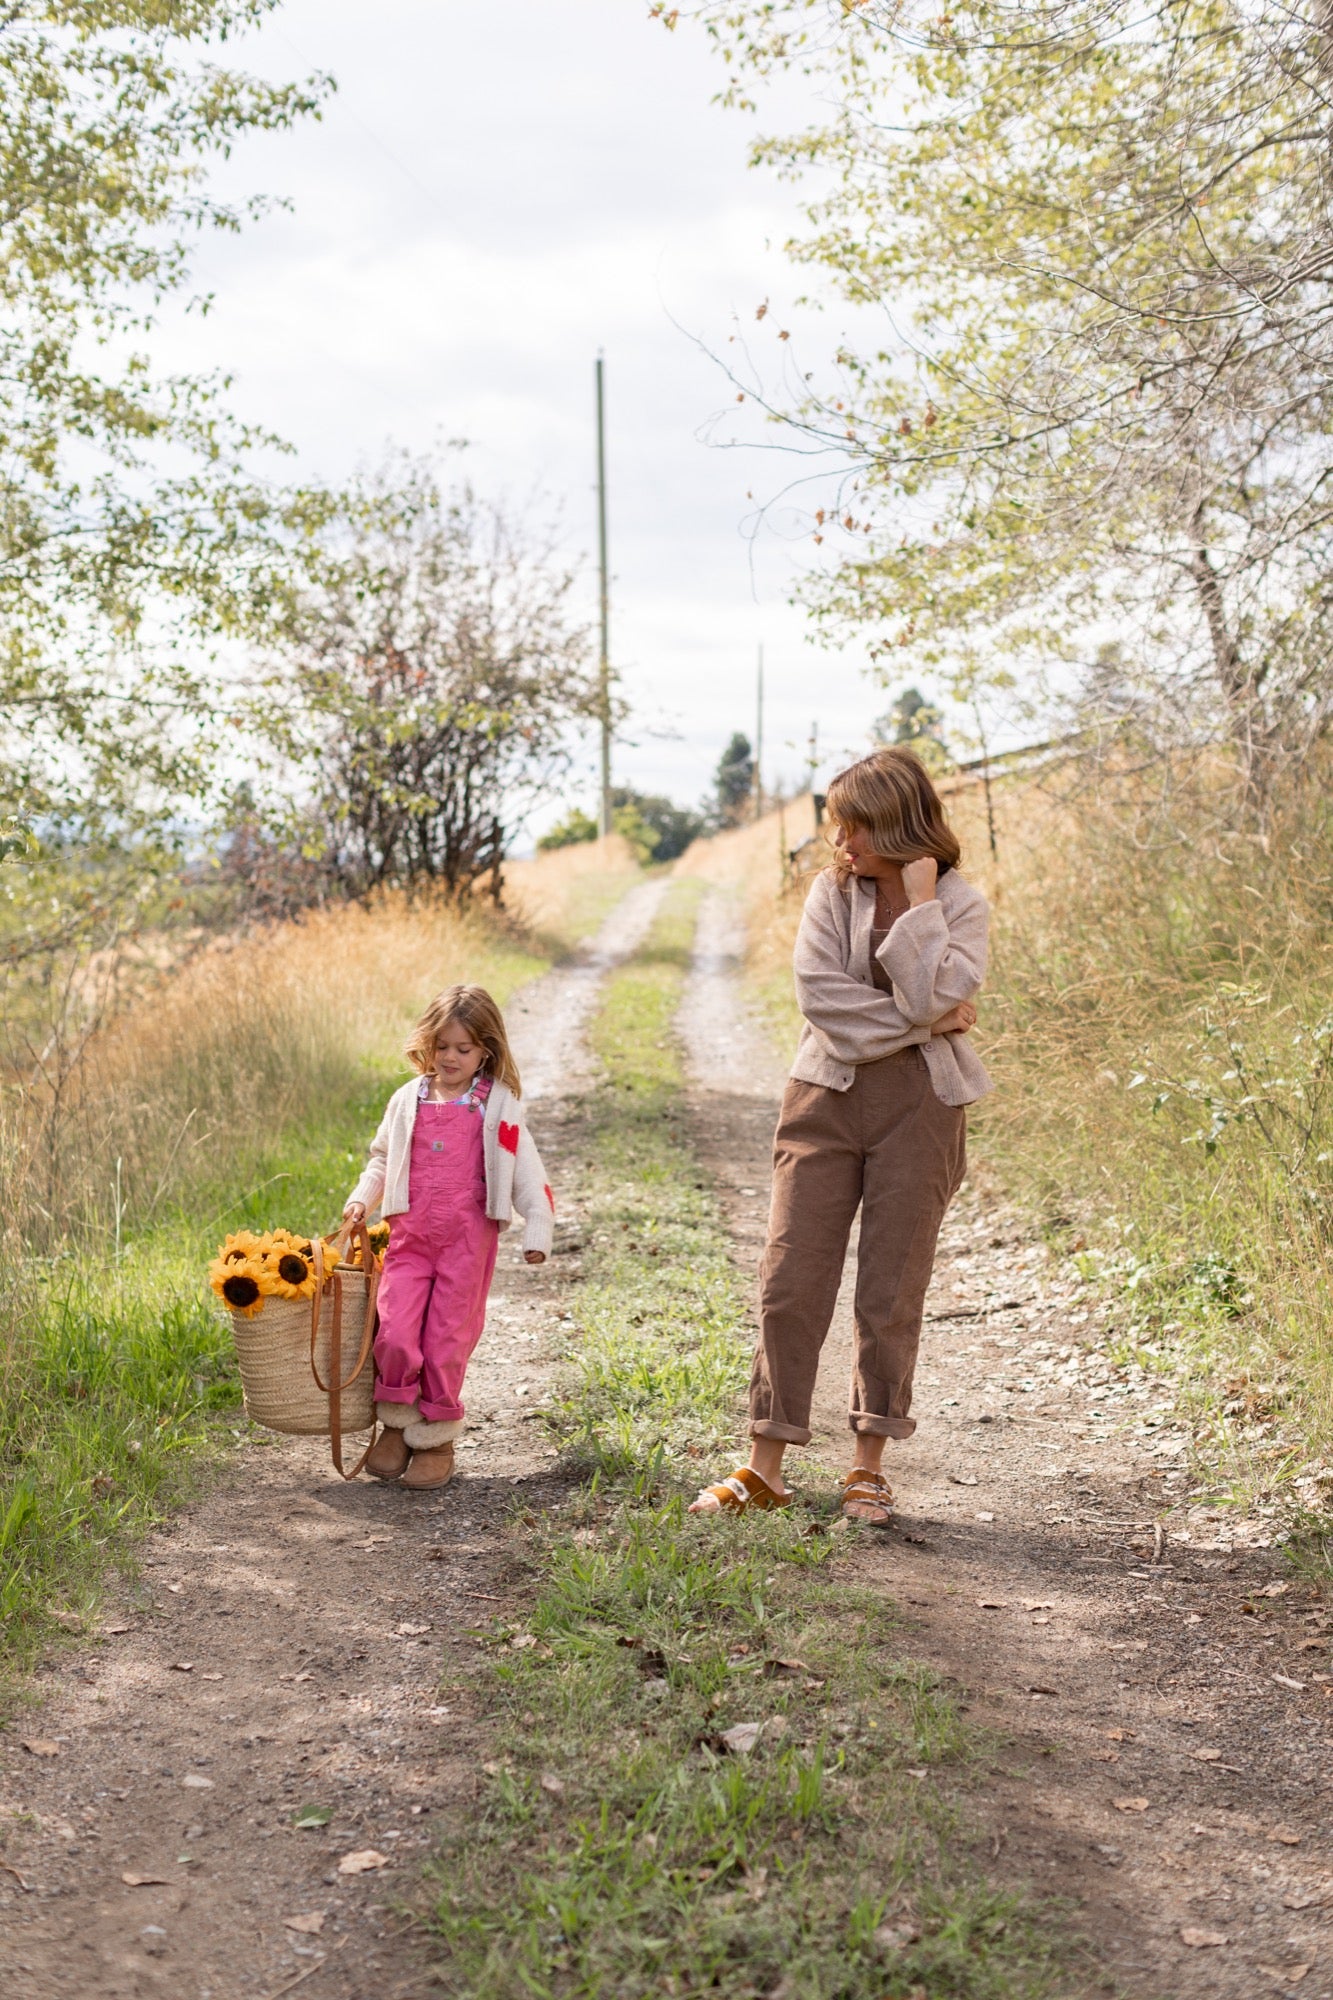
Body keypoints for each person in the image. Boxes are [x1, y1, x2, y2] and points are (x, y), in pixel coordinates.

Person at [691, 746, 992, 1525]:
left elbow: (940, 989)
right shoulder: (829, 894)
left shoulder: (960, 906)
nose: (840, 846)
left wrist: (920, 911)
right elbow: (824, 1004)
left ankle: (867, 1467)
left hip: (922, 1108)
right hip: (823, 1097)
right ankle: (765, 1466)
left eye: (852, 828)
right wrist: (921, 1020)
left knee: (890, 1289)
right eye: (836, 829)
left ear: (894, 823)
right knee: (790, 1278)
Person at [343, 984, 554, 1490]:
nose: (451, 1058)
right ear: (428, 1044)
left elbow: (527, 1170)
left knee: (445, 1340)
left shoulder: (497, 1105)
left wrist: (537, 1227)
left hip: (467, 1241)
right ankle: (395, 1427)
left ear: (486, 1050)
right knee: (393, 1331)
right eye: (442, 1047)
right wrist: (360, 1200)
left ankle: (435, 1438)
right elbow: (381, 1157)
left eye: (464, 1049)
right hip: (410, 1238)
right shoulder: (406, 1100)